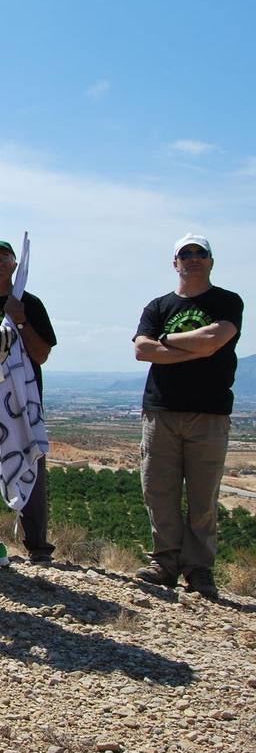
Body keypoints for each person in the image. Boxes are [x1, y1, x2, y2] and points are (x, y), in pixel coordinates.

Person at [132, 233, 242, 598]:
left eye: (201, 253)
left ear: (211, 261)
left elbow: (215, 338)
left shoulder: (227, 301)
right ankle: (164, 562)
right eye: (186, 253)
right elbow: (142, 350)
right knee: (158, 491)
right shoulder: (158, 306)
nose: (193, 259)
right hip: (160, 411)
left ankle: (198, 570)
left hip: (209, 413)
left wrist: (167, 342)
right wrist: (196, 349)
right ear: (175, 262)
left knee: (203, 496)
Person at [0, 240, 58, 564]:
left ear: (15, 264)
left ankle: (38, 546)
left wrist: (19, 320)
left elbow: (42, 354)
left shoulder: (29, 303)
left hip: (21, 399)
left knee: (29, 463)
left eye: (5, 257)